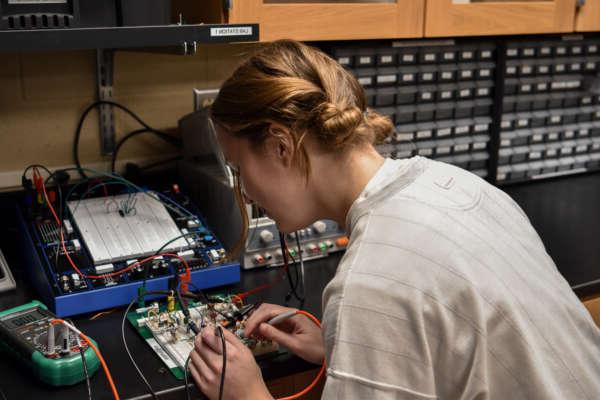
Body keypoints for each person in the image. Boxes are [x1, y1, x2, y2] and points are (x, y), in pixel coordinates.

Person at [188, 39, 600, 400]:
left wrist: (249, 395)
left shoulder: (371, 284)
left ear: (281, 146)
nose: (243, 192)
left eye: (239, 168)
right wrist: (346, 345)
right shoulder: (460, 183)